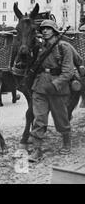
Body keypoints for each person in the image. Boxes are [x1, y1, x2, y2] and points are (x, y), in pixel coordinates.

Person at [28, 20, 76, 162]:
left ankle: (66, 142)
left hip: (58, 89)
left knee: (61, 118)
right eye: (43, 29)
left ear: (54, 31)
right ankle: (37, 150)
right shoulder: (40, 47)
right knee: (39, 118)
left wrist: (55, 84)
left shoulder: (64, 47)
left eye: (48, 28)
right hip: (40, 87)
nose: (45, 31)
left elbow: (68, 72)